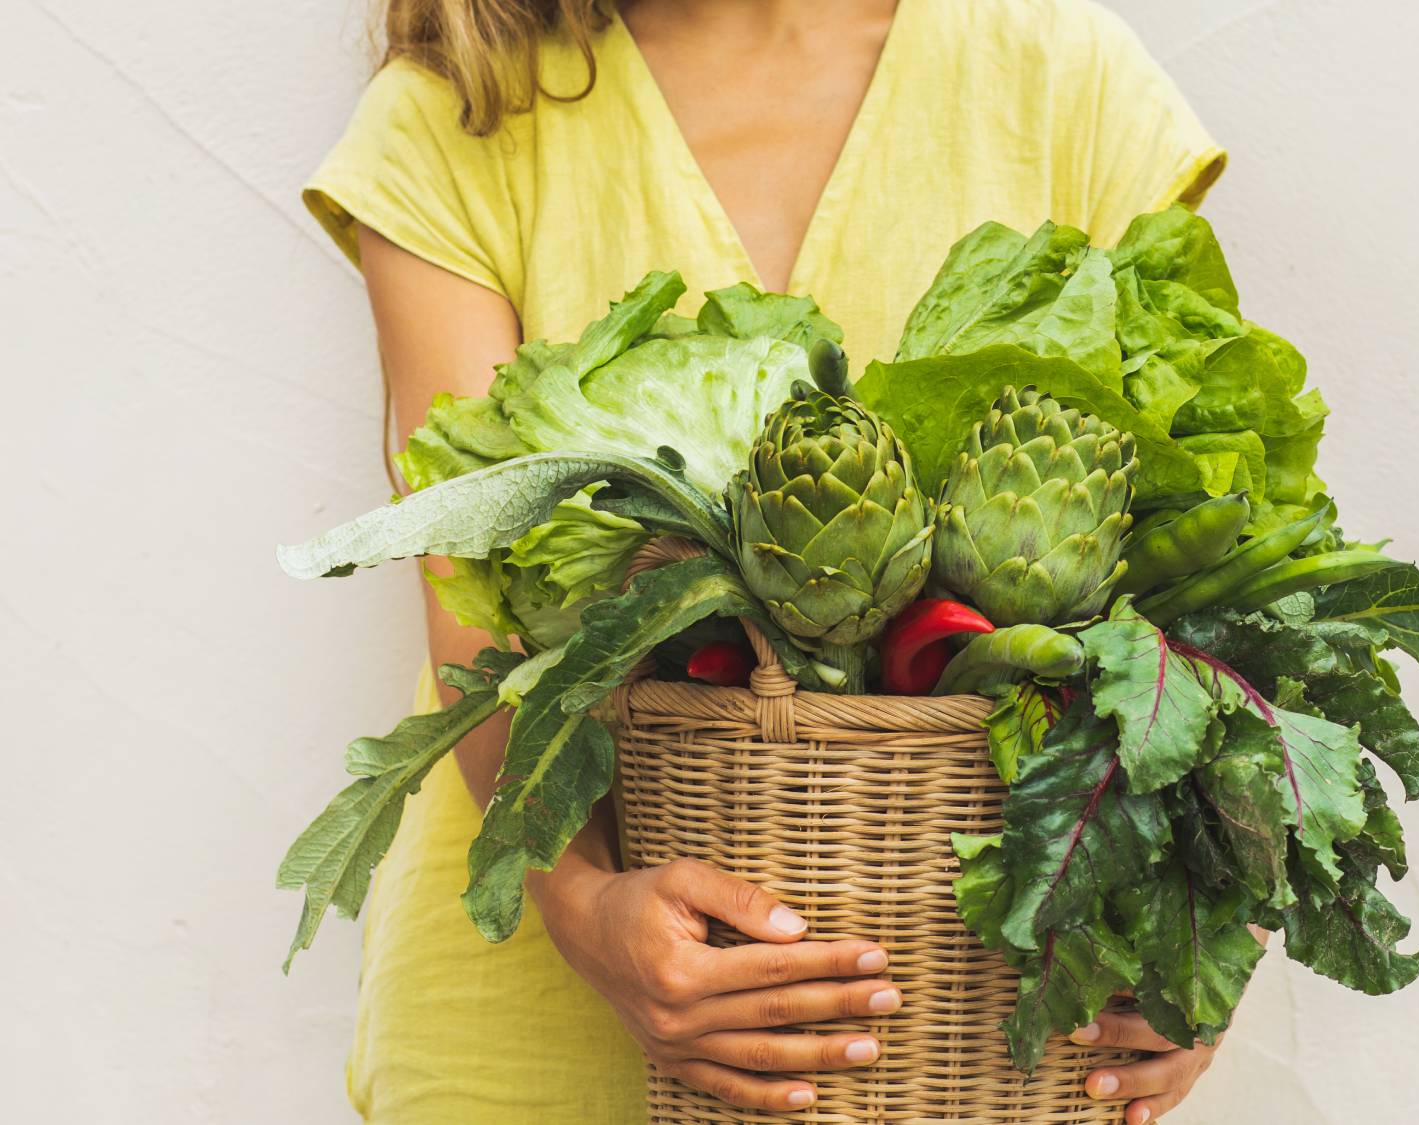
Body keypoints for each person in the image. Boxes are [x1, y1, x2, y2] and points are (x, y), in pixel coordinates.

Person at [305, 1, 1231, 1121]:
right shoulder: (462, 106)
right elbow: (472, 595)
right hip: (538, 1021)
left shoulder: (1062, 76)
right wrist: (582, 908)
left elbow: (1210, 545)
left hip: (974, 1035)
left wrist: (1210, 932)